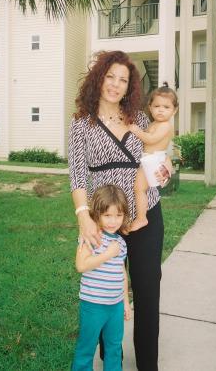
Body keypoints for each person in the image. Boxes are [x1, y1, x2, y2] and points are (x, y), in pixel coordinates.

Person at [68, 50, 170, 371]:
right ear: (99, 78)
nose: (115, 84)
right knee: (106, 295)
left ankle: (148, 366)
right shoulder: (82, 123)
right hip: (106, 222)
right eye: (110, 76)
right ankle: (112, 360)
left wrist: (166, 165)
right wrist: (85, 217)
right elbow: (77, 174)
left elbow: (158, 152)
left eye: (123, 80)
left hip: (146, 216)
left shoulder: (140, 118)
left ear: (130, 87)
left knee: (147, 292)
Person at [72, 184, 131, 371]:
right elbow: (81, 265)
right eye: (107, 215)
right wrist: (108, 254)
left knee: (113, 348)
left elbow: (121, 272)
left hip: (115, 306)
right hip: (93, 305)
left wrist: (126, 301)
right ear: (97, 213)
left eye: (118, 215)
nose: (113, 221)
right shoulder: (91, 235)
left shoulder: (120, 242)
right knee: (86, 348)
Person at [129, 82, 178, 231]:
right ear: (150, 108)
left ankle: (142, 218)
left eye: (166, 107)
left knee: (139, 189)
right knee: (139, 188)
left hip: (153, 160)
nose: (161, 110)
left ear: (174, 111)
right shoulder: (154, 123)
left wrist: (136, 130)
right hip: (150, 159)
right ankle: (141, 217)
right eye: (157, 106)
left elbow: (150, 140)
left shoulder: (165, 126)